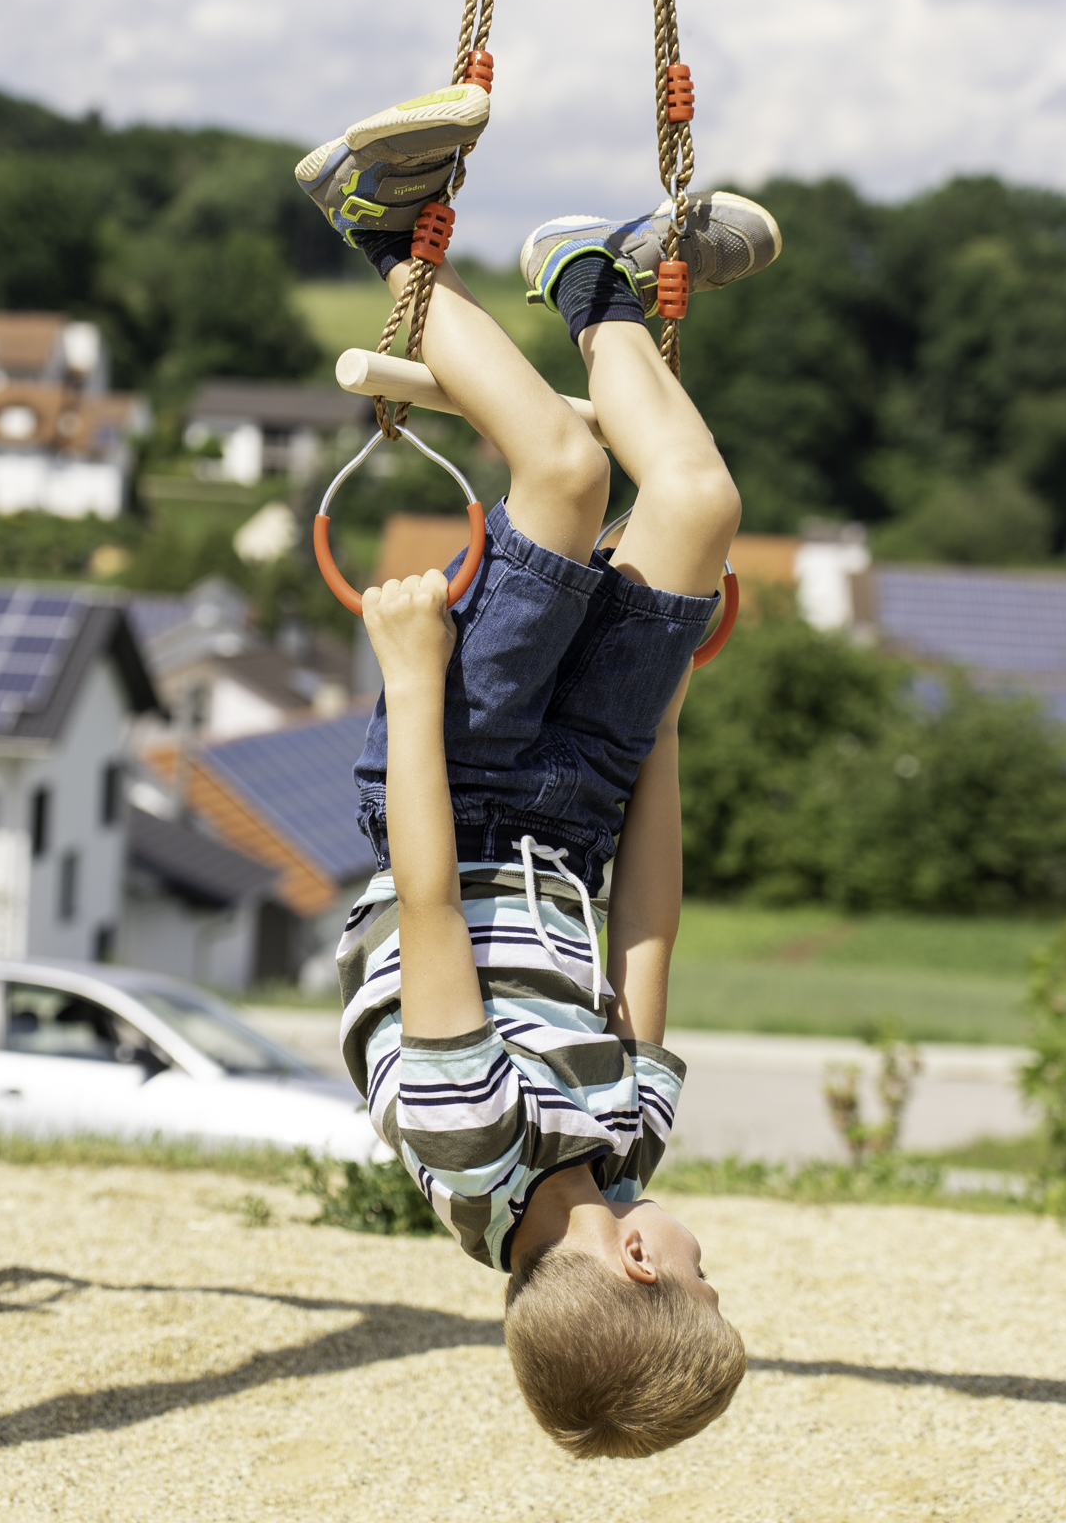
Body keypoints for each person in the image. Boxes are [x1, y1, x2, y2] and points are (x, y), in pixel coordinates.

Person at [296, 85, 779, 1458]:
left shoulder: (469, 1144)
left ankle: (382, 231)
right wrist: (659, 724)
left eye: (704, 1274)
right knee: (695, 507)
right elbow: (648, 921)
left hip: (466, 784)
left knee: (563, 471)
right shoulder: (631, 1140)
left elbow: (431, 903)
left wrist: (407, 677)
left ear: (639, 1265)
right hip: (579, 816)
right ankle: (593, 275)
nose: (703, 1252)